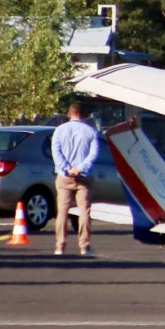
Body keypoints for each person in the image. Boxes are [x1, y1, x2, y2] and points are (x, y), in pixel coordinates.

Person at [51, 102, 100, 256]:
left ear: (69, 113)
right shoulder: (91, 132)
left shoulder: (59, 131)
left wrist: (66, 168)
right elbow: (94, 154)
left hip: (64, 177)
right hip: (83, 177)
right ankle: (84, 246)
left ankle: (60, 246)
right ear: (83, 115)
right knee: (84, 211)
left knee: (62, 212)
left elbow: (56, 152)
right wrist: (80, 168)